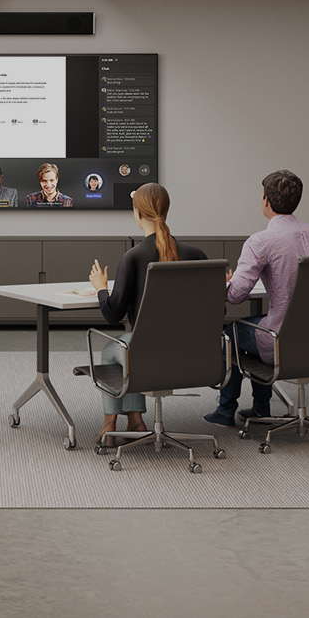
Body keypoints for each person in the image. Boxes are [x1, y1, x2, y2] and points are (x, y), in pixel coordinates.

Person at [207, 169, 309, 427]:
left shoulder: (261, 241)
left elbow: (236, 296)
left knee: (232, 333)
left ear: (265, 200)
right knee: (258, 324)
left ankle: (226, 410)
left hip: (280, 339)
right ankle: (260, 408)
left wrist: (227, 282)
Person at [86, 183, 207, 446]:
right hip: (196, 356)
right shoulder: (197, 255)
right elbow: (216, 310)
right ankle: (135, 421)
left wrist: (101, 288)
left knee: (113, 350)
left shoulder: (134, 257)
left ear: (137, 213)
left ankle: (109, 423)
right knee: (129, 347)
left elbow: (112, 315)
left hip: (149, 355)